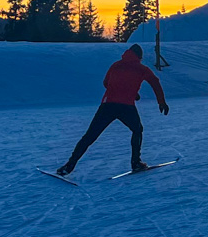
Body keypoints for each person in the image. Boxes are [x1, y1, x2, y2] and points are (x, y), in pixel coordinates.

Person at [56, 43, 168, 175]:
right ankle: (136, 162)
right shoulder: (141, 68)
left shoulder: (116, 65)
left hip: (108, 105)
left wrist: (125, 91)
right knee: (137, 130)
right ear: (139, 57)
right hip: (126, 106)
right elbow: (155, 82)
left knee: (90, 135)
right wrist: (161, 102)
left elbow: (106, 83)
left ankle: (69, 165)